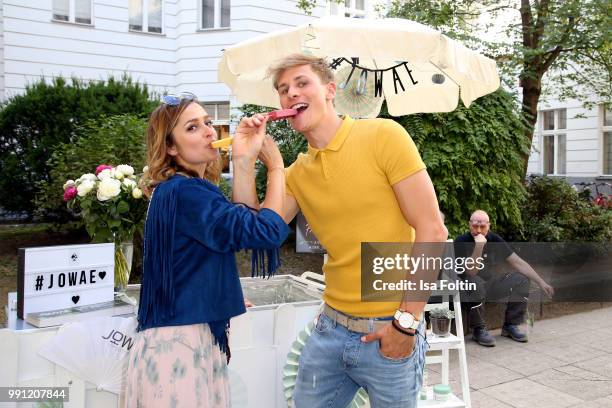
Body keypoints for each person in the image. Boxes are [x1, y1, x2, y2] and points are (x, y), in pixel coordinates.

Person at [267, 54, 448, 408]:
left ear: (330, 90)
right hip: (329, 330)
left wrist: (405, 324)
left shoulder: (383, 135)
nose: (290, 94)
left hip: (390, 330)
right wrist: (251, 161)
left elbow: (432, 228)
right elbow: (257, 233)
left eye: (302, 83)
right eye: (282, 90)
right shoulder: (296, 173)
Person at [125, 93, 289, 407]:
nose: (209, 132)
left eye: (209, 122)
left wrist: (242, 161)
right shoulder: (187, 193)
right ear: (170, 147)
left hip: (178, 340)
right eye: (192, 127)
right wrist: (276, 167)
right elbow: (263, 232)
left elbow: (237, 228)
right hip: (180, 350)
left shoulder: (180, 189)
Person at [454, 210, 554, 347]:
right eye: (474, 226)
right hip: (468, 289)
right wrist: (478, 247)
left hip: (488, 285)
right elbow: (471, 272)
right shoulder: (460, 241)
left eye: (482, 227)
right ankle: (479, 329)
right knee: (474, 282)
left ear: (489, 226)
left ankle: (510, 325)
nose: (478, 230)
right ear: (469, 225)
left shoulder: (494, 239)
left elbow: (518, 263)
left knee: (521, 279)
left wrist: (542, 282)